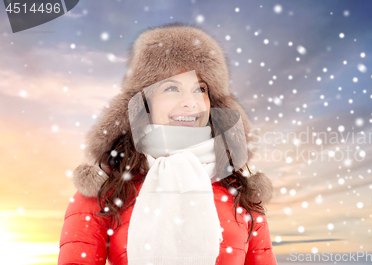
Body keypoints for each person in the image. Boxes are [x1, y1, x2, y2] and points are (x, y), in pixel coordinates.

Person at [58, 22, 277, 265]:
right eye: (172, 87)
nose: (190, 103)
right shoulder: (106, 189)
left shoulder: (241, 192)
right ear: (145, 101)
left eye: (200, 89)